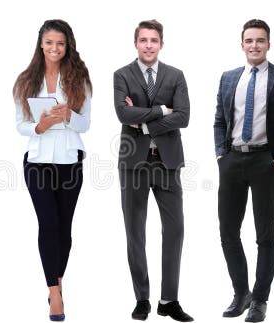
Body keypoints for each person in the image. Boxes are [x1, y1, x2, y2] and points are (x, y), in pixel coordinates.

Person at [213, 19, 274, 323]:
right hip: (232, 161)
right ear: (242, 44)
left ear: (268, 44)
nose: (254, 45)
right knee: (228, 232)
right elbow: (219, 121)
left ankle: (260, 300)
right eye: (249, 40)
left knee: (265, 235)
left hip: (267, 162)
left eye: (260, 40)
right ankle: (242, 294)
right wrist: (220, 155)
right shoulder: (228, 78)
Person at [114, 19, 193, 322]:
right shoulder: (121, 75)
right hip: (133, 163)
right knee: (135, 232)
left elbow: (184, 117)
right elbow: (123, 113)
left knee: (175, 230)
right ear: (136, 43)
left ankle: (168, 300)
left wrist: (143, 121)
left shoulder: (176, 75)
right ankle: (142, 299)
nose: (149, 45)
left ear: (161, 44)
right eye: (144, 40)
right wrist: (162, 110)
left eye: (154, 40)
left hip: (167, 162)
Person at [13, 19, 92, 322]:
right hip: (37, 161)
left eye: (60, 43)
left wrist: (69, 115)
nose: (54, 48)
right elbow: (19, 124)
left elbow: (87, 123)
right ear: (41, 44)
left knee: (64, 227)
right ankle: (55, 293)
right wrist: (40, 125)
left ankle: (57, 281)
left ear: (67, 45)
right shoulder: (26, 79)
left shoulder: (79, 79)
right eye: (49, 43)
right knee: (47, 223)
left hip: (70, 161)